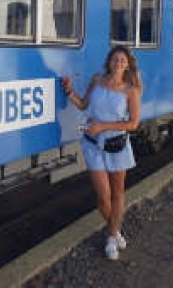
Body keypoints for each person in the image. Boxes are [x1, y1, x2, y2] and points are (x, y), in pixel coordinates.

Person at [61, 45, 142, 260]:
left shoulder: (130, 91)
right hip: (92, 144)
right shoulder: (97, 80)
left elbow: (133, 124)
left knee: (118, 193)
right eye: (115, 59)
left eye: (122, 60)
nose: (118, 63)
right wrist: (69, 91)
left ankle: (111, 237)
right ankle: (115, 232)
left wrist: (103, 127)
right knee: (102, 198)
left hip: (116, 146)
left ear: (127, 65)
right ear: (109, 62)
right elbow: (83, 105)